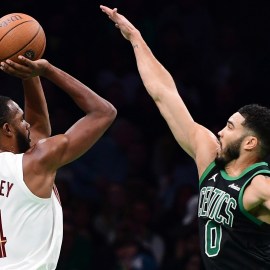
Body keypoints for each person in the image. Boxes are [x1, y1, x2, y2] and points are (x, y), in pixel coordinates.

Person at [100, 5, 270, 269]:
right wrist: (135, 37)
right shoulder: (209, 158)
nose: (220, 131)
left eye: (230, 127)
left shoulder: (260, 186)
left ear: (250, 143)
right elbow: (163, 92)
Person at [0, 55, 117, 269]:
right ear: (7, 129)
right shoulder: (33, 163)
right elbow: (103, 112)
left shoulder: (29, 162)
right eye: (20, 119)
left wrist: (29, 73)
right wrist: (47, 71)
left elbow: (38, 128)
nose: (27, 124)